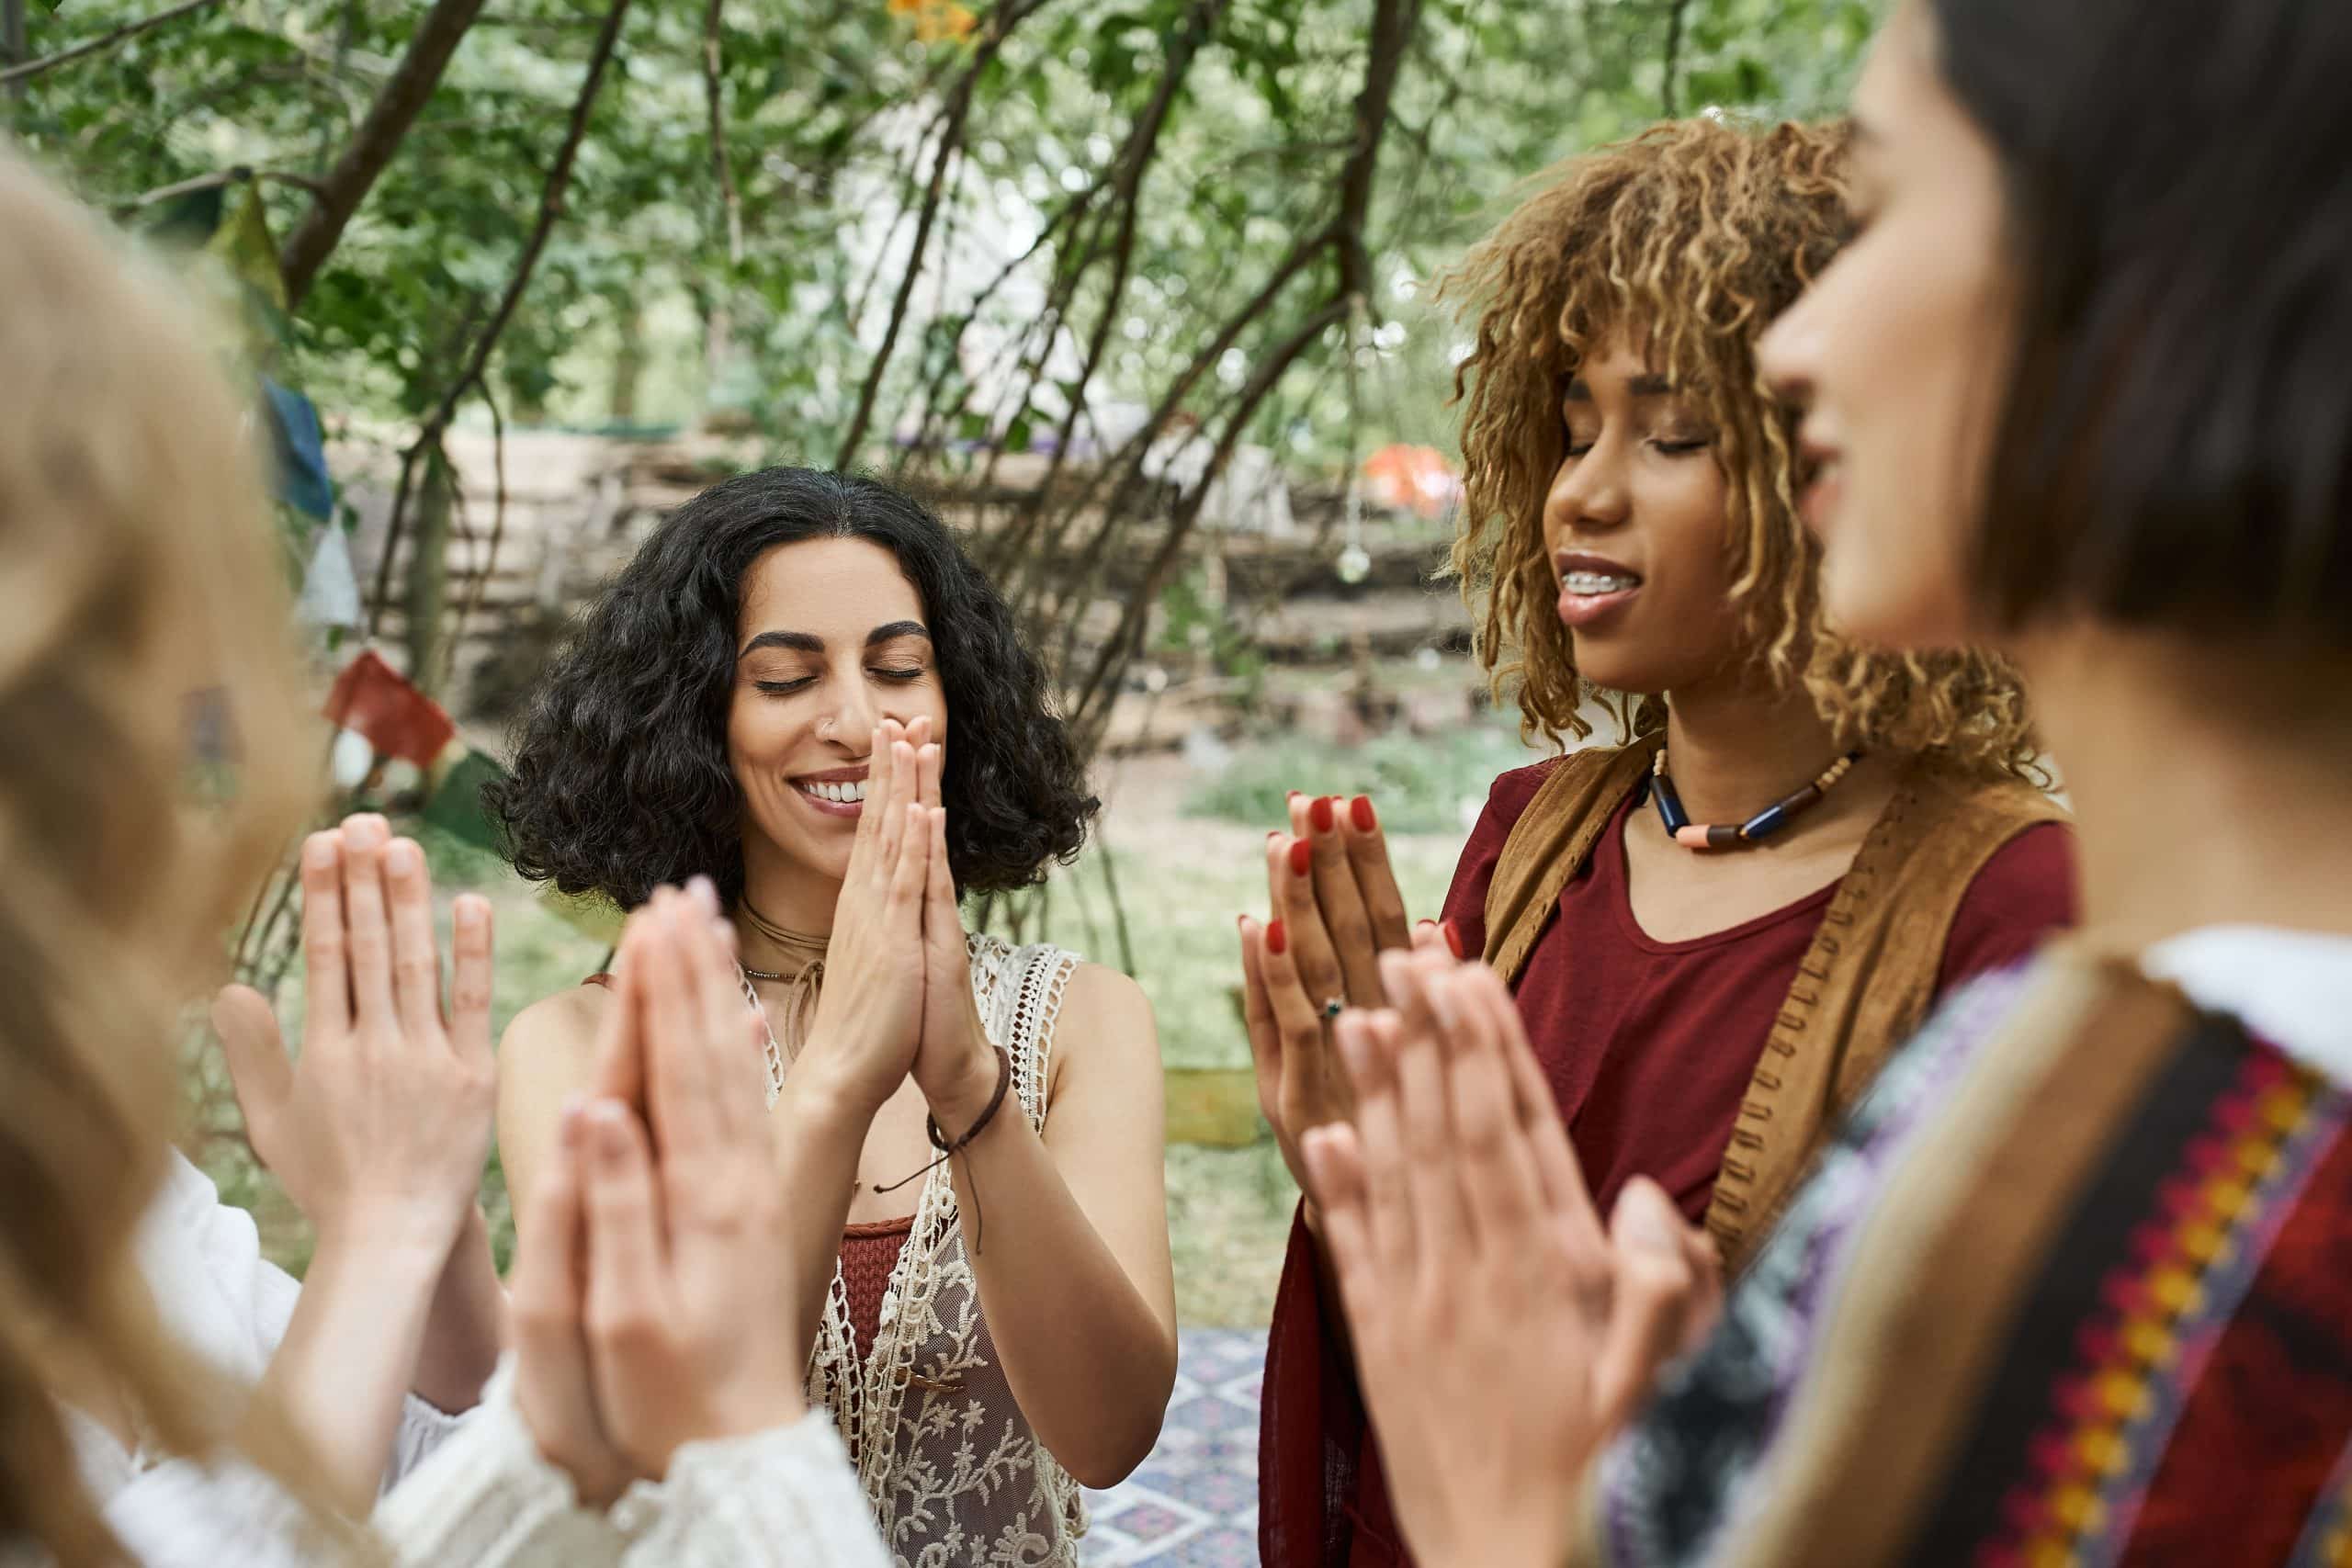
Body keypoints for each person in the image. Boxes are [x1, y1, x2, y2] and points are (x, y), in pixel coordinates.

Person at [1304, 0, 2352, 1562]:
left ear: (2117, 299)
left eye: (1891, 211)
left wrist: (1520, 1523)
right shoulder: (2092, 1074)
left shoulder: (2159, 1149)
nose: (1803, 347)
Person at [0, 143, 886, 1566]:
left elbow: (409, 1474)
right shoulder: (567, 1032)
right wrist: (389, 1227)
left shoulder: (106, 1176)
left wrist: (428, 1229)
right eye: (160, 709)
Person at [1244, 117, 2077, 1567]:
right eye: (1572, 429)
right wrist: (1359, 1185)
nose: (1583, 490)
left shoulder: (2011, 907)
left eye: (1672, 433)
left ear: (1837, 464)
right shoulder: (1530, 840)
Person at [490, 467, 1178, 1566]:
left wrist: (968, 1087)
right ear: (697, 719)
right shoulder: (576, 1051)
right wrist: (840, 1078)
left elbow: (1109, 1436)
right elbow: (673, 1451)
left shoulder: (1081, 1023)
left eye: (899, 668)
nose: (856, 722)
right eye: (784, 679)